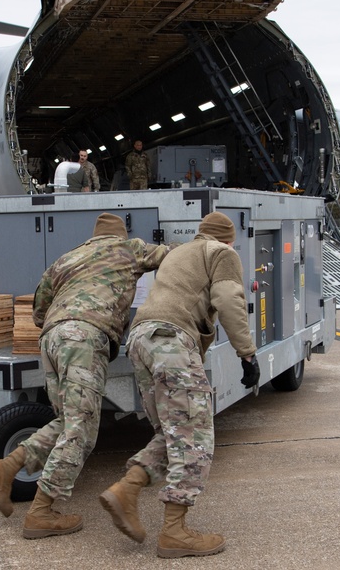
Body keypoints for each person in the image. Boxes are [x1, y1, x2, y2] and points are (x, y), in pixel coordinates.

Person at [0, 213, 170, 539]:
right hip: (84, 336)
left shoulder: (67, 258)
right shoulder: (129, 248)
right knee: (82, 432)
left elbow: (38, 311)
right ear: (119, 235)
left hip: (51, 338)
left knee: (69, 421)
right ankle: (41, 511)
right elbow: (172, 256)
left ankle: (6, 467)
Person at [98, 211, 259, 558]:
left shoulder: (179, 252)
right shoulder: (221, 253)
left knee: (175, 433)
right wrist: (247, 355)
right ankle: (174, 532)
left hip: (140, 338)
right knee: (196, 438)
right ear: (228, 239)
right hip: (171, 340)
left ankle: (128, 489)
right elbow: (229, 300)